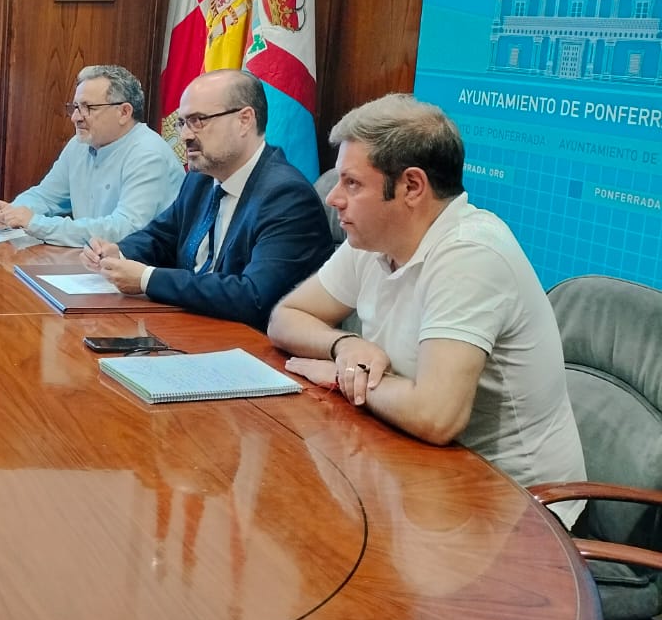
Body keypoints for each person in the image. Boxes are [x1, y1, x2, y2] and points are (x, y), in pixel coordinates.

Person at [266, 94, 586, 523]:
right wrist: (344, 346)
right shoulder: (375, 235)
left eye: (352, 183)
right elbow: (285, 317)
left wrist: (345, 379)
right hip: (417, 469)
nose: (333, 199)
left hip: (515, 509)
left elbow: (437, 416)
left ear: (411, 187)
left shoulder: (470, 254)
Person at [82, 68, 333, 329]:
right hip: (192, 326)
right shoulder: (200, 179)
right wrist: (118, 252)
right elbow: (161, 237)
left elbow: (254, 297)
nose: (185, 136)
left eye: (198, 120)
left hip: (251, 346)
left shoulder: (287, 196)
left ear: (245, 120)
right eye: (182, 123)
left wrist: (147, 279)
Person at [0, 64, 183, 247]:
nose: (75, 117)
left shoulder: (148, 154)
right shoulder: (80, 144)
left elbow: (125, 230)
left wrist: (36, 223)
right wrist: (9, 212)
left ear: (124, 112)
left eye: (88, 108)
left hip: (139, 271)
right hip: (92, 262)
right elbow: (46, 196)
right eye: (75, 107)